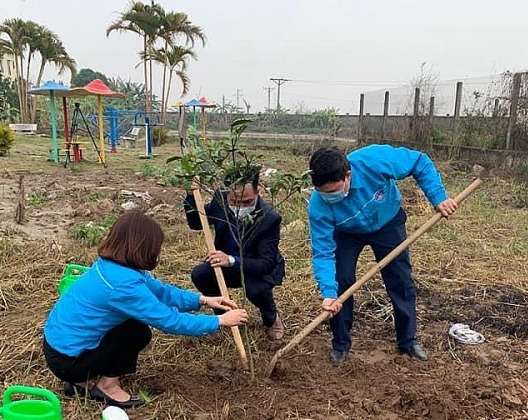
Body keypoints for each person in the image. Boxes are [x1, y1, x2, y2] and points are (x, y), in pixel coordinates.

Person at [43, 210, 248, 409]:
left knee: (132, 324)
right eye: (156, 247)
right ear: (142, 248)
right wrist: (219, 321)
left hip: (60, 348)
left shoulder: (113, 266)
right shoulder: (123, 286)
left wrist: (202, 300)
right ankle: (106, 386)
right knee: (136, 331)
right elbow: (170, 321)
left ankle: (79, 383)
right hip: (67, 360)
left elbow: (159, 291)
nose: (158, 252)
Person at [307, 145, 458, 365]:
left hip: (387, 221)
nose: (330, 198)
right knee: (341, 283)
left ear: (348, 176)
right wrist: (328, 293)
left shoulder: (374, 161)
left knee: (400, 280)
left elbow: (419, 161)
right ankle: (340, 344)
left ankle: (408, 340)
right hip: (346, 233)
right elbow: (323, 252)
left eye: (334, 191)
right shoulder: (319, 206)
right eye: (324, 193)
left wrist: (438, 197)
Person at [184, 169, 285, 341]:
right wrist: (191, 196)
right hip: (225, 266)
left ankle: (271, 318)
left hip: (255, 270)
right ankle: (224, 315)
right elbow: (197, 223)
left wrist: (231, 260)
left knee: (257, 290)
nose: (240, 207)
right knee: (200, 275)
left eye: (247, 201)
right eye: (234, 201)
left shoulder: (269, 218)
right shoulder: (220, 200)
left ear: (257, 192)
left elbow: (266, 263)